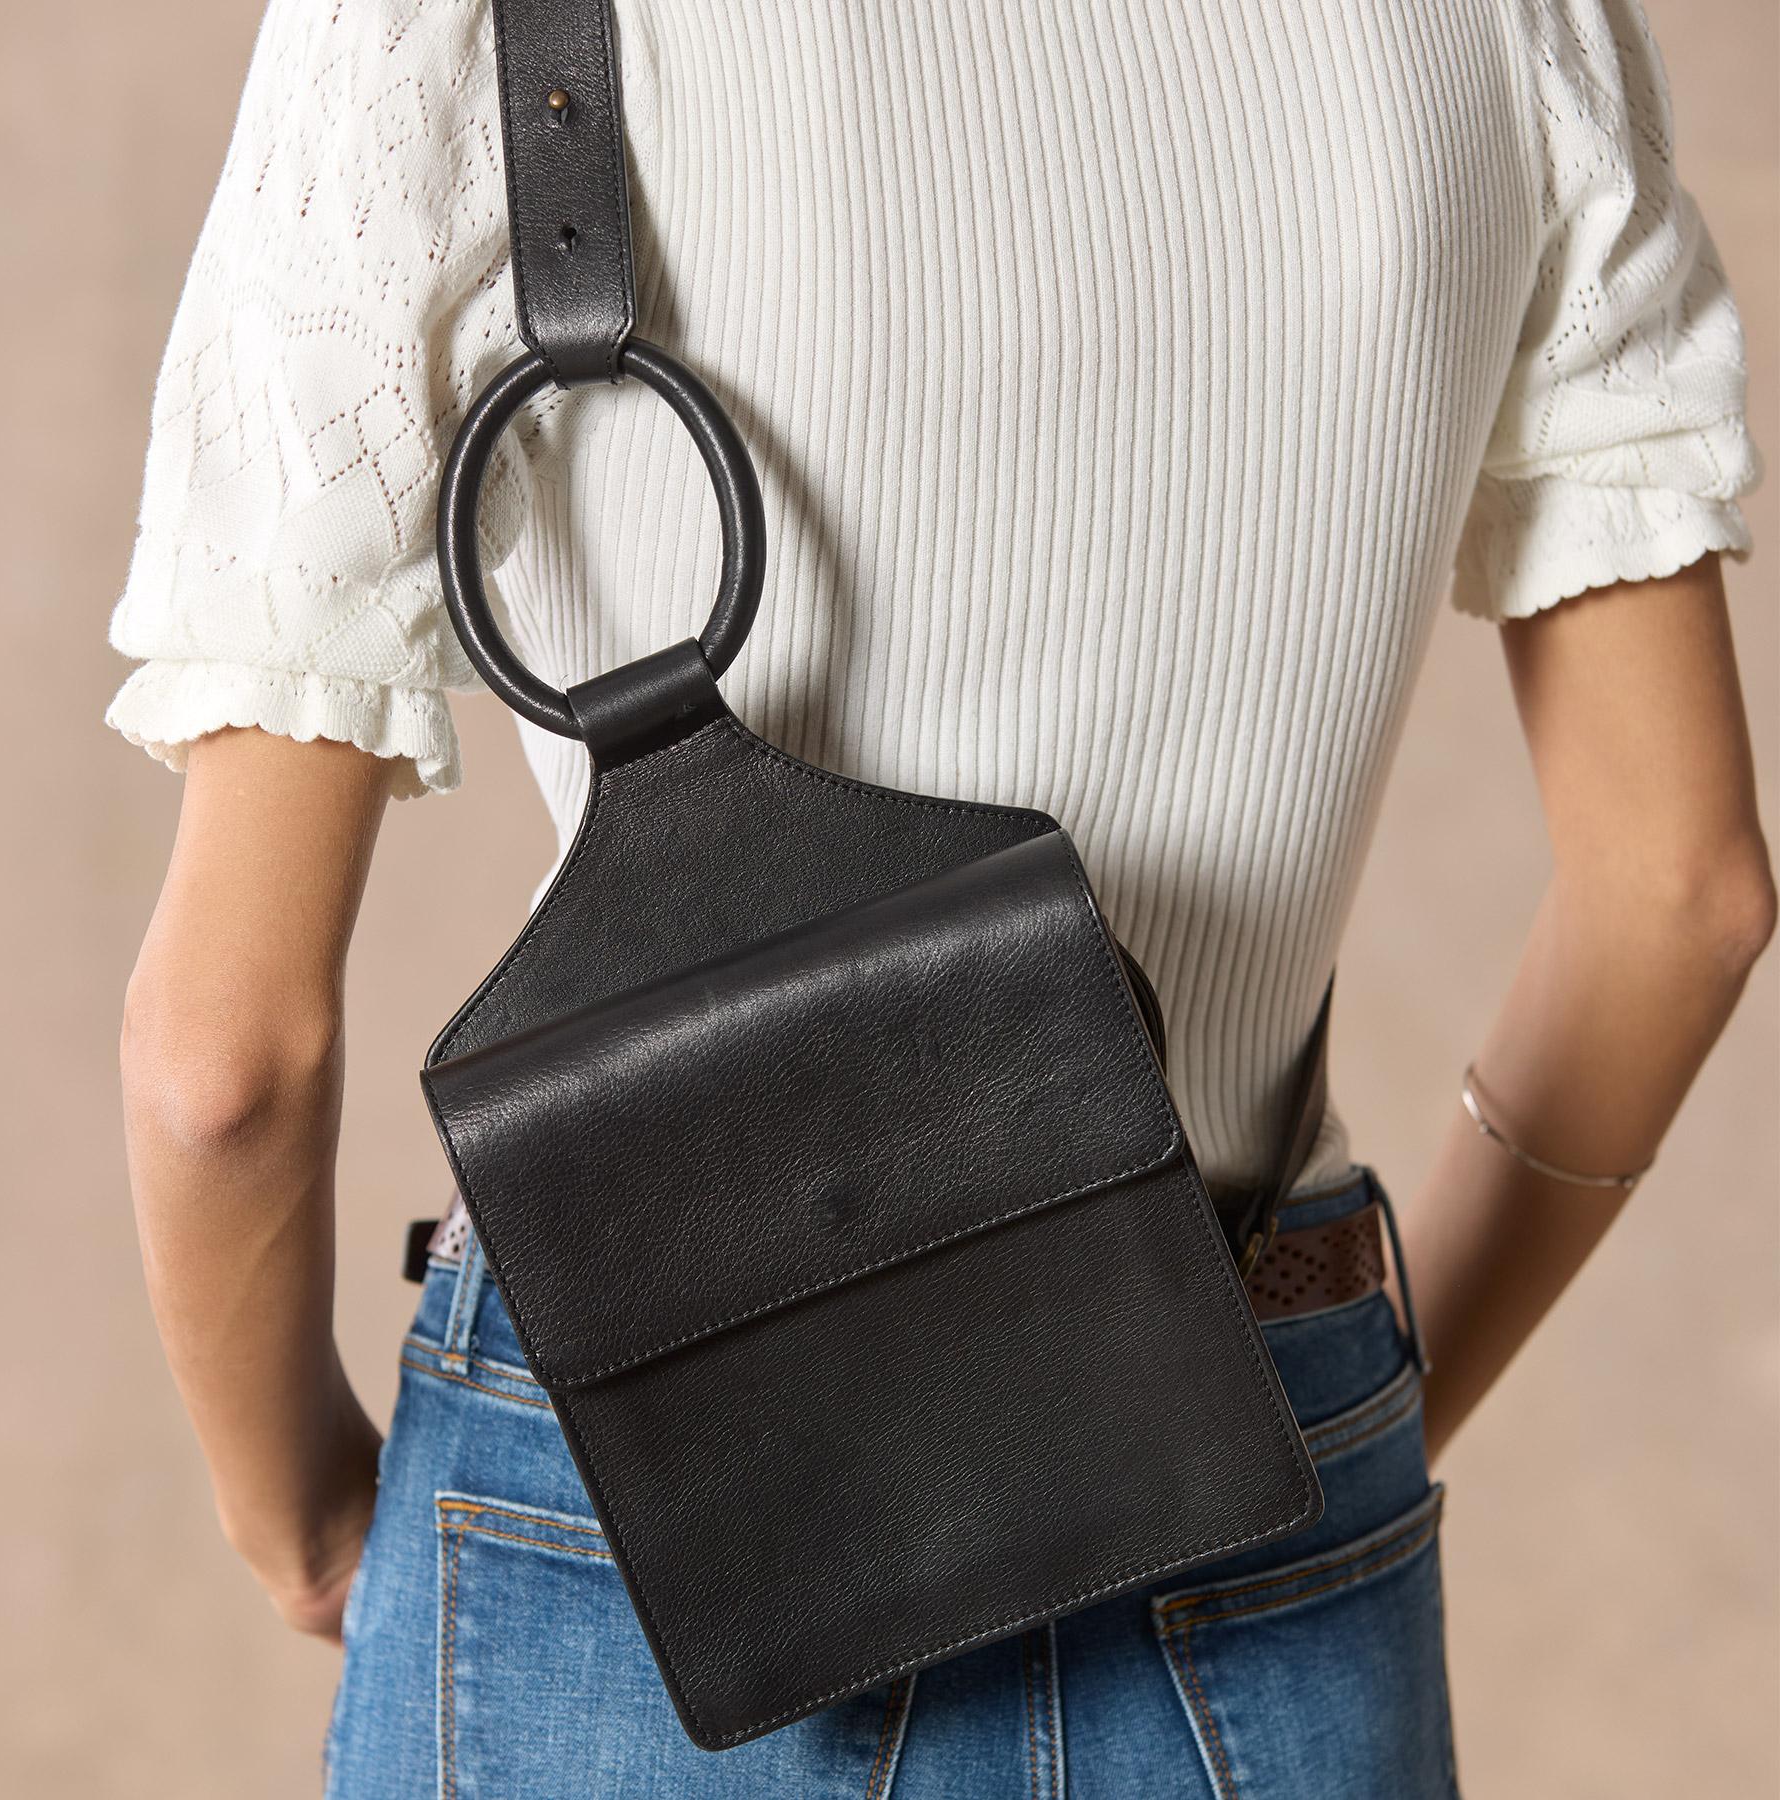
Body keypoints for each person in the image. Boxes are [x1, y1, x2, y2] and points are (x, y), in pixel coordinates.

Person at [109, 1, 1769, 1794]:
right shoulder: (1525, 25)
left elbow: (223, 1068)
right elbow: (1678, 894)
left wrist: (304, 1529)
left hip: (646, 1475)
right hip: (1247, 1419)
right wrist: (1326, 1402)